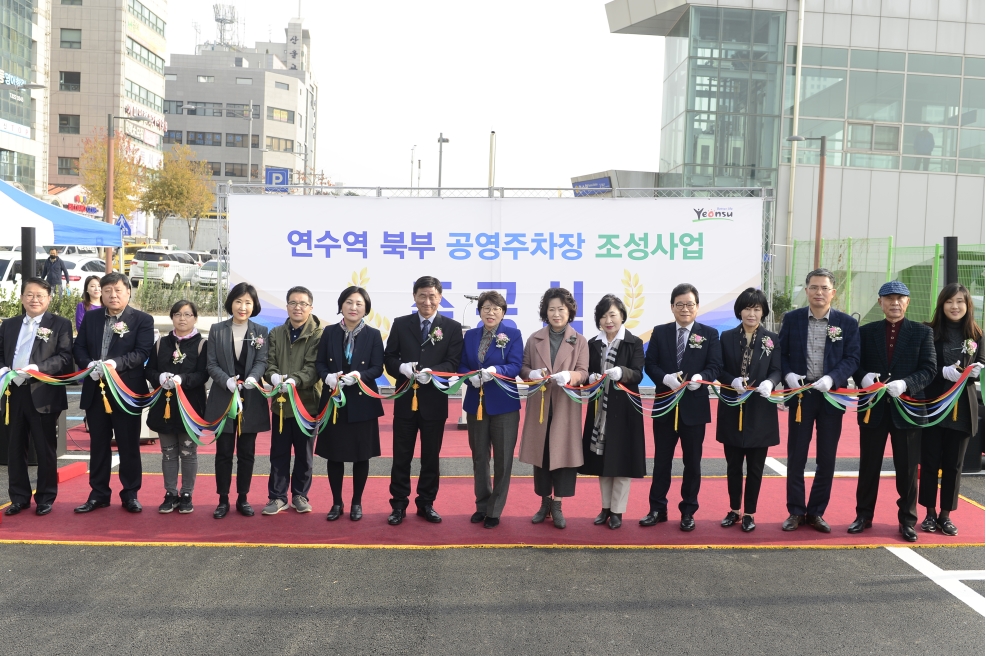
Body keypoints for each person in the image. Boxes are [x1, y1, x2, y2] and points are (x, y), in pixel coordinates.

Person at [848, 281, 936, 542]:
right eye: (889, 298)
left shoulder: (922, 333)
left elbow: (929, 368)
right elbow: (855, 363)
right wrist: (863, 378)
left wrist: (906, 383)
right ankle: (863, 515)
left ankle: (907, 520)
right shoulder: (866, 332)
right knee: (869, 466)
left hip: (907, 409)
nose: (894, 303)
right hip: (873, 408)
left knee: (907, 469)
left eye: (900, 298)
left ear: (908, 302)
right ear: (880, 302)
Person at [779, 268, 860, 533]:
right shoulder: (792, 320)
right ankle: (795, 511)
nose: (819, 293)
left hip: (830, 397)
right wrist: (788, 374)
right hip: (801, 396)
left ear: (832, 293)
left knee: (827, 458)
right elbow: (782, 353)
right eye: (814, 287)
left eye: (824, 288)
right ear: (806, 290)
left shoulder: (846, 323)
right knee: (797, 456)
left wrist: (833, 378)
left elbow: (852, 358)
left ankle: (816, 512)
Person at [641, 283, 722, 531]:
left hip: (694, 409)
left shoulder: (709, 333)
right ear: (672, 307)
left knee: (692, 463)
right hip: (665, 406)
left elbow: (715, 365)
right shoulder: (660, 332)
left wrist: (701, 377)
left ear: (697, 307)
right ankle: (657, 508)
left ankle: (688, 511)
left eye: (690, 304)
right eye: (680, 304)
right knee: (662, 461)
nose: (685, 309)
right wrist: (663, 377)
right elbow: (650, 363)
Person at [384, 276, 463, 525]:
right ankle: (398, 505)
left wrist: (433, 372)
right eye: (422, 295)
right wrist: (402, 368)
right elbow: (389, 358)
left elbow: (453, 362)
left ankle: (426, 503)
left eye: (432, 296)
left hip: (434, 402)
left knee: (431, 456)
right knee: (401, 455)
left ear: (440, 297)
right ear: (414, 296)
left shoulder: (450, 327)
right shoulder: (400, 324)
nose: (427, 301)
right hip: (406, 399)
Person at [73, 272, 154, 513]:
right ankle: (98, 494)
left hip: (125, 390)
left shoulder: (142, 319)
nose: (113, 295)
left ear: (128, 292)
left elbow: (141, 353)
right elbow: (79, 347)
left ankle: (130, 494)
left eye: (118, 290)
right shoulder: (92, 318)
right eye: (107, 290)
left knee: (128, 444)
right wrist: (89, 364)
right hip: (96, 390)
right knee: (98, 444)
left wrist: (114, 364)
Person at [1, 278, 74, 516]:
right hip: (13, 393)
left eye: (40, 295)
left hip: (43, 392)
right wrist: (3, 369)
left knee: (45, 449)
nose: (34, 300)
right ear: (22, 298)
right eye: (30, 295)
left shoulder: (61, 324)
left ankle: (45, 498)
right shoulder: (9, 325)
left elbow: (64, 359)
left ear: (49, 298)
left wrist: (37, 368)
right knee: (14, 448)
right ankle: (19, 497)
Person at [518, 287, 589, 529]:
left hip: (565, 405)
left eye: (561, 309)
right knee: (542, 455)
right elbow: (524, 368)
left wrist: (570, 375)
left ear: (570, 312)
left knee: (563, 455)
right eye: (551, 309)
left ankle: (558, 505)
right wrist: (532, 373)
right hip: (540, 404)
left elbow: (584, 372)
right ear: (545, 312)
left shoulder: (579, 341)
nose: (556, 314)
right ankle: (544, 502)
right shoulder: (534, 338)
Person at [919, 283, 984, 536]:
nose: (954, 306)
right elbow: (923, 366)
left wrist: (976, 371)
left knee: (954, 464)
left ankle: (946, 515)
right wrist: (941, 373)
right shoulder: (928, 331)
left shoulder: (977, 335)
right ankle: (929, 513)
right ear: (941, 304)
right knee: (930, 461)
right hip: (934, 407)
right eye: (949, 301)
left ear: (968, 306)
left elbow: (982, 362)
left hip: (962, 410)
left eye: (960, 302)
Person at [315, 286, 384, 522]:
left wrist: (359, 376)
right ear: (341, 305)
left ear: (366, 308)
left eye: (359, 304)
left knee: (360, 456)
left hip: (362, 401)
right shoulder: (330, 332)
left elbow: (377, 368)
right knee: (334, 455)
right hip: (334, 401)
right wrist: (328, 377)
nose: (353, 307)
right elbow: (320, 363)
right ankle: (336, 502)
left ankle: (356, 502)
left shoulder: (373, 335)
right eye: (349, 302)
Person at [715, 288, 781, 533]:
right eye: (747, 308)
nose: (752, 313)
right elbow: (718, 368)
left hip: (760, 411)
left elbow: (777, 369)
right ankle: (733, 509)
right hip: (732, 407)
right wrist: (731, 380)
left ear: (763, 312)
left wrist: (770, 382)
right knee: (733, 466)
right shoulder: (727, 337)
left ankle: (750, 513)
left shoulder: (772, 338)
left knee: (755, 467)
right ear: (739, 310)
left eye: (757, 309)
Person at [578, 294, 646, 530]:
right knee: (602, 460)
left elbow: (637, 373)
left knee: (622, 460)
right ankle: (605, 507)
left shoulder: (633, 342)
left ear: (622, 316)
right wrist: (591, 377)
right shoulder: (592, 344)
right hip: (599, 411)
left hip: (625, 410)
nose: (609, 320)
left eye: (613, 315)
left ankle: (617, 511)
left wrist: (622, 372)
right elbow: (585, 372)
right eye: (604, 315)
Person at [458, 291, 523, 529]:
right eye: (486, 308)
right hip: (476, 403)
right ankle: (482, 505)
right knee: (479, 457)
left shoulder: (513, 335)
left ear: (503, 312)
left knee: (503, 460)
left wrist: (495, 370)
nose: (491, 312)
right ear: (480, 311)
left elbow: (515, 365)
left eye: (496, 308)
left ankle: (495, 510)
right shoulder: (471, 336)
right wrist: (469, 378)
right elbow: (462, 364)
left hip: (504, 403)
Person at [206, 282, 270, 519]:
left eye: (248, 303)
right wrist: (227, 381)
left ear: (254, 306)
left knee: (247, 453)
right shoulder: (217, 330)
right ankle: (223, 499)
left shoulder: (261, 331)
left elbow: (262, 361)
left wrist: (253, 378)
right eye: (238, 301)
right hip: (224, 398)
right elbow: (211, 364)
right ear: (231, 303)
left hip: (251, 398)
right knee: (223, 452)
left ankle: (243, 497)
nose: (243, 307)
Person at [263, 286, 323, 515]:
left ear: (311, 307)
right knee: (278, 453)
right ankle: (277, 497)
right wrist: (274, 376)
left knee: (304, 454)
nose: (298, 307)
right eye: (293, 303)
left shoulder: (318, 334)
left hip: (307, 405)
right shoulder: (276, 333)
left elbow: (313, 368)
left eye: (303, 304)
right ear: (286, 306)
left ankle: (300, 494)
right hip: (280, 404)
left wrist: (295, 381)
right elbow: (269, 363)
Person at [145, 301, 209, 515]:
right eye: (178, 314)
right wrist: (159, 377)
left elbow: (203, 375)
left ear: (195, 318)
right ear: (172, 317)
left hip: (191, 406)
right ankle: (170, 493)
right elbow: (149, 370)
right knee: (168, 452)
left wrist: (183, 379)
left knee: (188, 451)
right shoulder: (161, 343)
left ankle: (187, 493)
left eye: (188, 314)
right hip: (165, 406)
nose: (183, 318)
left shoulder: (202, 344)